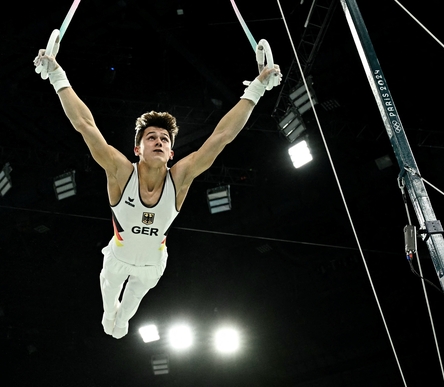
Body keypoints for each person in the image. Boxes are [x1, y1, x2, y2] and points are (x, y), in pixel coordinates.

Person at [34, 45, 281, 339]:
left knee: (127, 313)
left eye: (164, 138)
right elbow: (85, 126)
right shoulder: (121, 171)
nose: (158, 141)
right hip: (118, 259)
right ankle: (111, 313)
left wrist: (256, 89)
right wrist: (57, 76)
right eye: (151, 137)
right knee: (109, 311)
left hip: (153, 265)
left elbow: (222, 137)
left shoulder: (181, 177)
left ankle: (122, 317)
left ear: (172, 152)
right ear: (137, 148)